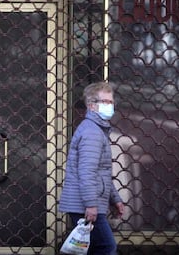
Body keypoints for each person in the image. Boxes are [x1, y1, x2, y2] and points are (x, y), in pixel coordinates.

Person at [59, 81, 125, 255]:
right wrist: (91, 205)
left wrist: (115, 199)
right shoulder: (92, 132)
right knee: (106, 247)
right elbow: (87, 172)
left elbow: (101, 173)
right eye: (106, 102)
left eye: (111, 102)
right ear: (92, 106)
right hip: (86, 206)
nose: (110, 106)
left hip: (89, 204)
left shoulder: (96, 130)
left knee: (93, 249)